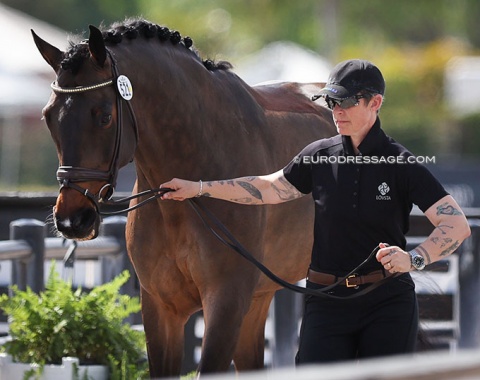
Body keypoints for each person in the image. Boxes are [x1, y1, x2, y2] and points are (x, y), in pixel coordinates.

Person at [160, 59, 471, 363]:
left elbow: (456, 224)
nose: (336, 111)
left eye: (346, 102)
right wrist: (199, 188)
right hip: (325, 302)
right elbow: (268, 187)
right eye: (331, 102)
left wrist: (414, 259)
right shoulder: (318, 155)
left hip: (386, 302)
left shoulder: (400, 163)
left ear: (375, 102)